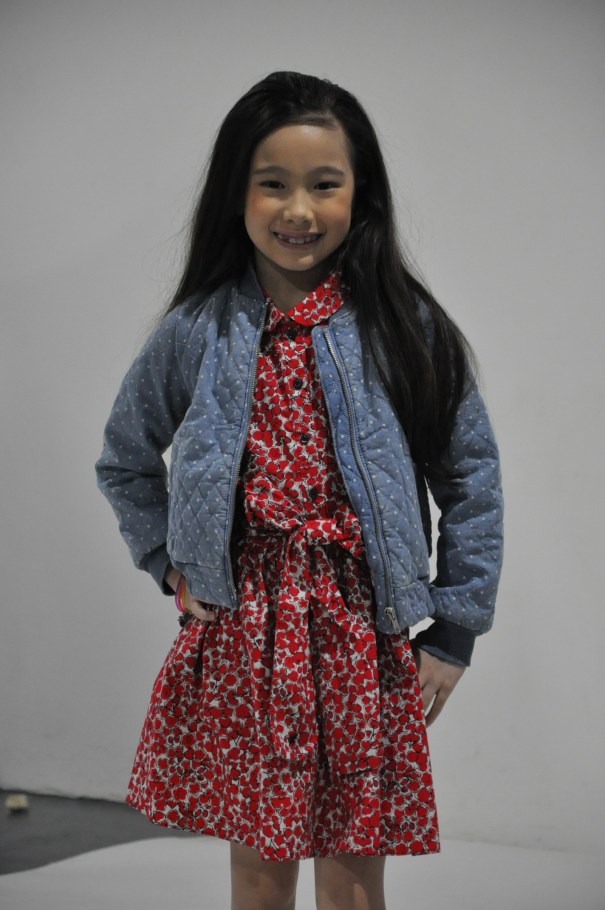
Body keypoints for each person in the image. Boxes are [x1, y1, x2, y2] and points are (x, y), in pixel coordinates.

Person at [95, 71, 503, 910]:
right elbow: (124, 459)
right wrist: (167, 562)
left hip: (359, 634)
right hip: (243, 636)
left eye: (324, 184)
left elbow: (470, 478)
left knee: (352, 874)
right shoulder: (198, 329)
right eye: (272, 183)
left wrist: (455, 626)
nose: (298, 210)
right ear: (235, 194)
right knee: (257, 868)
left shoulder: (405, 328)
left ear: (361, 193)